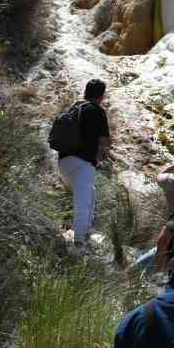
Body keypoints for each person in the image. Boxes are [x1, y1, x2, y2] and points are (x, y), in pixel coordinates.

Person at [53, 79, 111, 250]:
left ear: (85, 92)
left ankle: (85, 231)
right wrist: (105, 144)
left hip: (64, 162)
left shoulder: (74, 107)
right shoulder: (96, 110)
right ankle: (79, 242)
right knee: (83, 201)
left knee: (90, 194)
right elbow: (105, 140)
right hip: (82, 163)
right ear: (101, 95)